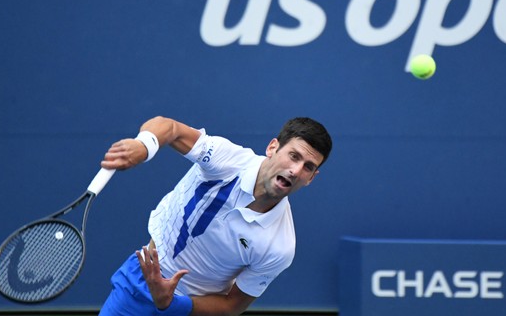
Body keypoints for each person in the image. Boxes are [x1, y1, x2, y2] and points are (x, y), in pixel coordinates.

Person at [98, 116, 332, 315]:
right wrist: (144, 146)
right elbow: (168, 127)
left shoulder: (280, 246)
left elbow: (233, 305)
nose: (296, 170)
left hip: (191, 310)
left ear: (311, 178)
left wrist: (172, 303)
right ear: (272, 148)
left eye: (308, 167)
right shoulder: (227, 159)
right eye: (294, 156)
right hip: (138, 284)